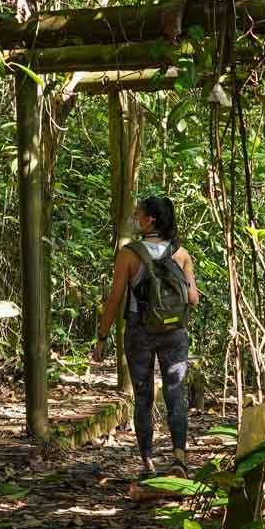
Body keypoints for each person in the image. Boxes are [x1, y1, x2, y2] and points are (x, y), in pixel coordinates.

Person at [93, 195, 200, 478]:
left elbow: (115, 299)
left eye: (138, 214)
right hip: (174, 332)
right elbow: (193, 299)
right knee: (175, 395)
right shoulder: (182, 254)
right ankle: (179, 458)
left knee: (143, 397)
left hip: (139, 331)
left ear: (150, 219)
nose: (135, 218)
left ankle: (147, 462)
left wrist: (102, 337)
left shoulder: (130, 254)